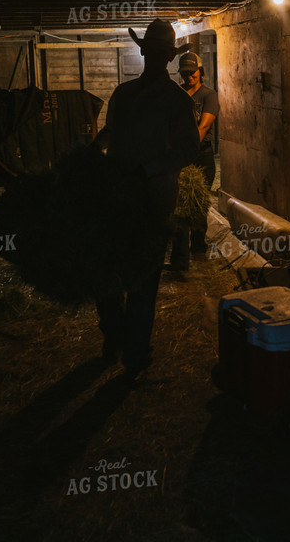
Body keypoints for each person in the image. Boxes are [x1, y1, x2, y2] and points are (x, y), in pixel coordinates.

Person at [95, 19, 200, 378]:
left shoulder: (176, 101)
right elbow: (112, 131)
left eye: (162, 53)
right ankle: (114, 337)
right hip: (115, 199)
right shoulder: (122, 95)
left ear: (170, 57)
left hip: (154, 203)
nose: (156, 57)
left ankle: (134, 352)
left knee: (142, 281)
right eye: (151, 51)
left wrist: (150, 169)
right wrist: (93, 152)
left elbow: (188, 148)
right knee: (106, 275)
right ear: (143, 51)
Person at [168, 51, 220, 269]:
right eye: (185, 73)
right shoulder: (176, 94)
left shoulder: (208, 95)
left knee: (198, 205)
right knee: (179, 206)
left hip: (201, 156)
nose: (189, 77)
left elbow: (204, 126)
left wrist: (188, 150)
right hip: (180, 156)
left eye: (193, 72)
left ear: (201, 72)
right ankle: (180, 255)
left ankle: (198, 249)